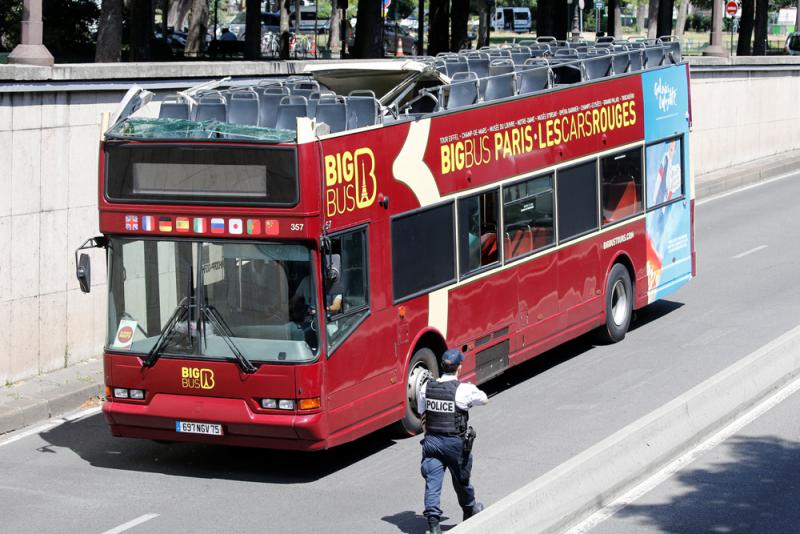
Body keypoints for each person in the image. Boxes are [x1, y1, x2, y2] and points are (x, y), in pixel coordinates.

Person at [418, 349, 488, 534]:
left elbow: (421, 411)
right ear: (459, 367)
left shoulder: (426, 387)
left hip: (432, 442)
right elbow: (484, 399)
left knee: (432, 483)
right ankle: (469, 509)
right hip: (454, 444)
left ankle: (434, 525)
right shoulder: (464, 389)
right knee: (461, 480)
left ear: (442, 366)